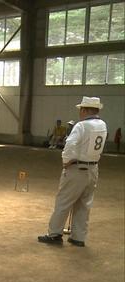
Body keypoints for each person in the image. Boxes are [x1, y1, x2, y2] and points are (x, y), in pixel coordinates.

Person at [38, 96, 108, 247]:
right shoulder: (103, 125)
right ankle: (78, 237)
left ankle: (55, 234)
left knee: (64, 201)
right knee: (84, 204)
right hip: (93, 169)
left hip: (77, 168)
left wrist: (66, 162)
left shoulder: (81, 126)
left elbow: (69, 145)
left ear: (84, 109)